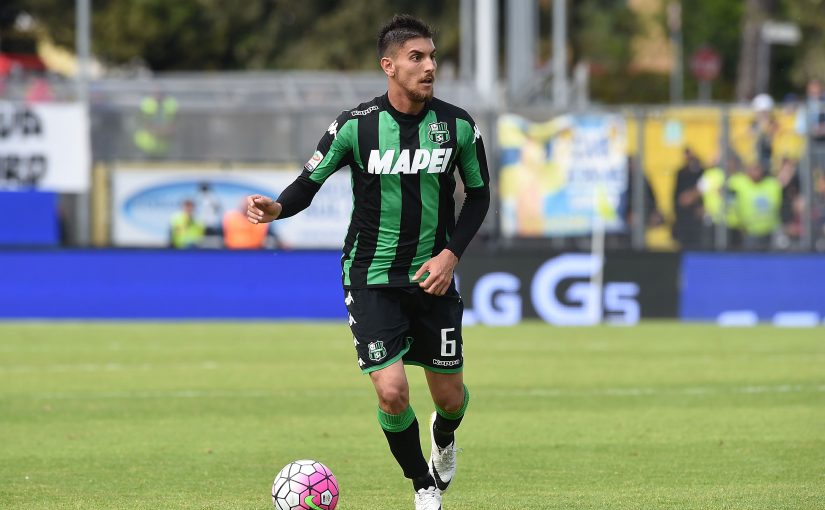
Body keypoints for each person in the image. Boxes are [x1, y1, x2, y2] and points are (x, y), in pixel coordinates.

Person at [246, 15, 489, 510]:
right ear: (389, 65)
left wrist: (450, 255)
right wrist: (277, 207)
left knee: (449, 398)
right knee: (392, 391)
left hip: (433, 278)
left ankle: (444, 437)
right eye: (416, 57)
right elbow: (307, 184)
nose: (429, 66)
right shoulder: (355, 126)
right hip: (371, 276)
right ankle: (423, 485)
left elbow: (480, 196)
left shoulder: (458, 126)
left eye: (432, 56)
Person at [672, 147, 705, 249]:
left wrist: (693, 197)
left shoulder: (702, 172)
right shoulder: (681, 173)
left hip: (697, 216)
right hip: (684, 217)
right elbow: (676, 196)